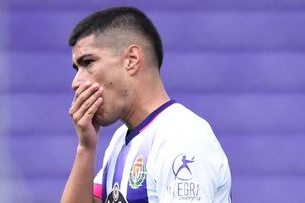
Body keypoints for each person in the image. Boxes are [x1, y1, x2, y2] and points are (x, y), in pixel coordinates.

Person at [61, 6, 231, 203]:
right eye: (76, 68)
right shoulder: (121, 141)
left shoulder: (182, 137)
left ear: (131, 60)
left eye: (88, 62)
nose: (76, 83)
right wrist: (86, 148)